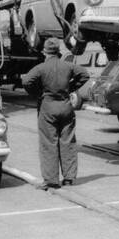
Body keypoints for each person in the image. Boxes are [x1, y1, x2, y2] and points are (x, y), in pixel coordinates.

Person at [22, 37, 89, 188]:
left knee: (48, 143)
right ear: (58, 52)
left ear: (45, 52)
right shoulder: (68, 66)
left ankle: (51, 180)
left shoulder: (41, 68)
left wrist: (38, 93)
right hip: (66, 106)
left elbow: (26, 81)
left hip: (48, 107)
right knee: (68, 142)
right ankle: (69, 178)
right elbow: (84, 74)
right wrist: (70, 88)